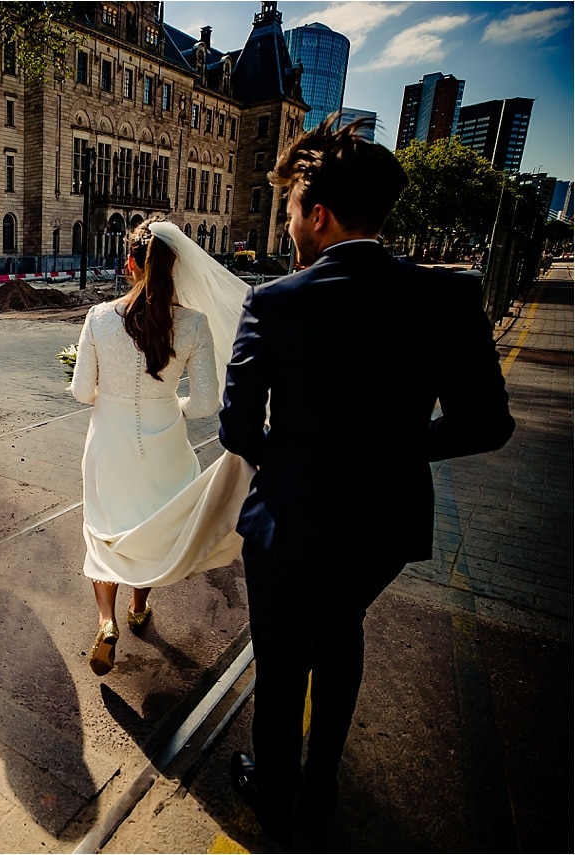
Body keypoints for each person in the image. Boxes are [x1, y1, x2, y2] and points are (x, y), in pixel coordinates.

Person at [219, 116, 515, 843]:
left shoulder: (275, 302)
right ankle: (321, 783)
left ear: (316, 215)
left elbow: (235, 428)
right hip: (383, 523)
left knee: (283, 662)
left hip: (288, 523)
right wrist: (393, 448)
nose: (289, 222)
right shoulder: (447, 297)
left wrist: (289, 458)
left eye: (291, 208)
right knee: (342, 633)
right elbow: (486, 423)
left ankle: (276, 788)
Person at [70, 219, 252, 677]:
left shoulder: (98, 318)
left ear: (130, 264)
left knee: (105, 527)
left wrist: (107, 397)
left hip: (108, 438)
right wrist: (169, 405)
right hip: (166, 438)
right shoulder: (194, 324)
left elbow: (80, 392)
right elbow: (208, 402)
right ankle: (137, 610)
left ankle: (106, 622)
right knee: (150, 525)